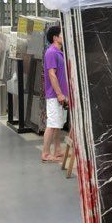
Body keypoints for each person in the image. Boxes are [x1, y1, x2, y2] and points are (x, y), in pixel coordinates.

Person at [41, 25, 69, 162]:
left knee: (58, 124)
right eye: (62, 34)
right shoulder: (51, 52)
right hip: (54, 95)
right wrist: (58, 94)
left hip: (61, 95)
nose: (64, 36)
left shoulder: (59, 52)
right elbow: (52, 75)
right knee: (52, 124)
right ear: (55, 37)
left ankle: (57, 150)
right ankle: (45, 154)